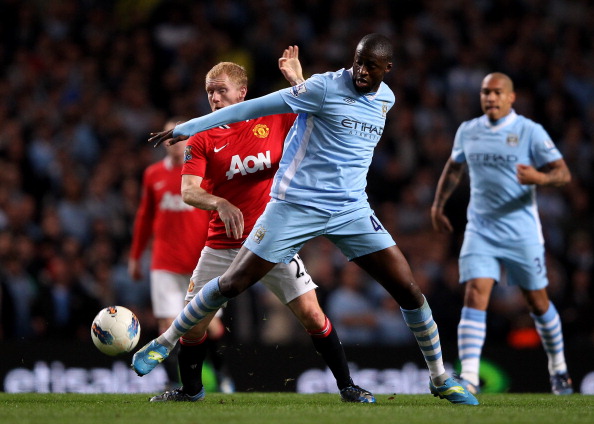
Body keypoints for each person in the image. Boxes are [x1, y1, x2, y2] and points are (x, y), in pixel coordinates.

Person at [135, 33, 479, 405]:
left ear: (387, 68)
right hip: (294, 207)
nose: (362, 71)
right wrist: (188, 127)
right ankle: (165, 343)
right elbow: (252, 109)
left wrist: (298, 81)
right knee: (231, 284)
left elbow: (325, 112)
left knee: (408, 290)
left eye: (371, 66)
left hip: (351, 210)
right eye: (358, 62)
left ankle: (439, 378)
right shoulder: (323, 86)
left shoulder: (386, 99)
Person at [145, 49, 375, 403]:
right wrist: (219, 202)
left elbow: (320, 109)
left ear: (242, 92)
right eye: (210, 91)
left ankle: (348, 386)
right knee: (193, 324)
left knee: (312, 315)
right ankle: (191, 391)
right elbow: (188, 191)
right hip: (221, 244)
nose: (214, 98)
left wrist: (297, 80)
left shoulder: (273, 118)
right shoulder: (201, 137)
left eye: (221, 90)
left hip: (272, 238)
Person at [430, 72, 573, 395]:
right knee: (475, 293)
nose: (490, 97)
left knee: (537, 302)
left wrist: (540, 177)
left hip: (521, 232)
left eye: (497, 92)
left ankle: (558, 367)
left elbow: (563, 173)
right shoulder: (469, 130)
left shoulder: (529, 131)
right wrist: (438, 205)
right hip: (480, 228)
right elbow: (454, 166)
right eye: (485, 92)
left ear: (511, 97)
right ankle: (469, 376)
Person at [128, 121, 223, 389]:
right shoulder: (153, 174)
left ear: (190, 140)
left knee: (211, 326)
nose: (176, 144)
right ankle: (173, 382)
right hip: (165, 262)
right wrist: (135, 256)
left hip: (201, 261)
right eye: (171, 138)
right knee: (168, 324)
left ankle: (223, 375)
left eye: (181, 137)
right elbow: (145, 217)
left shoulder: (206, 171)